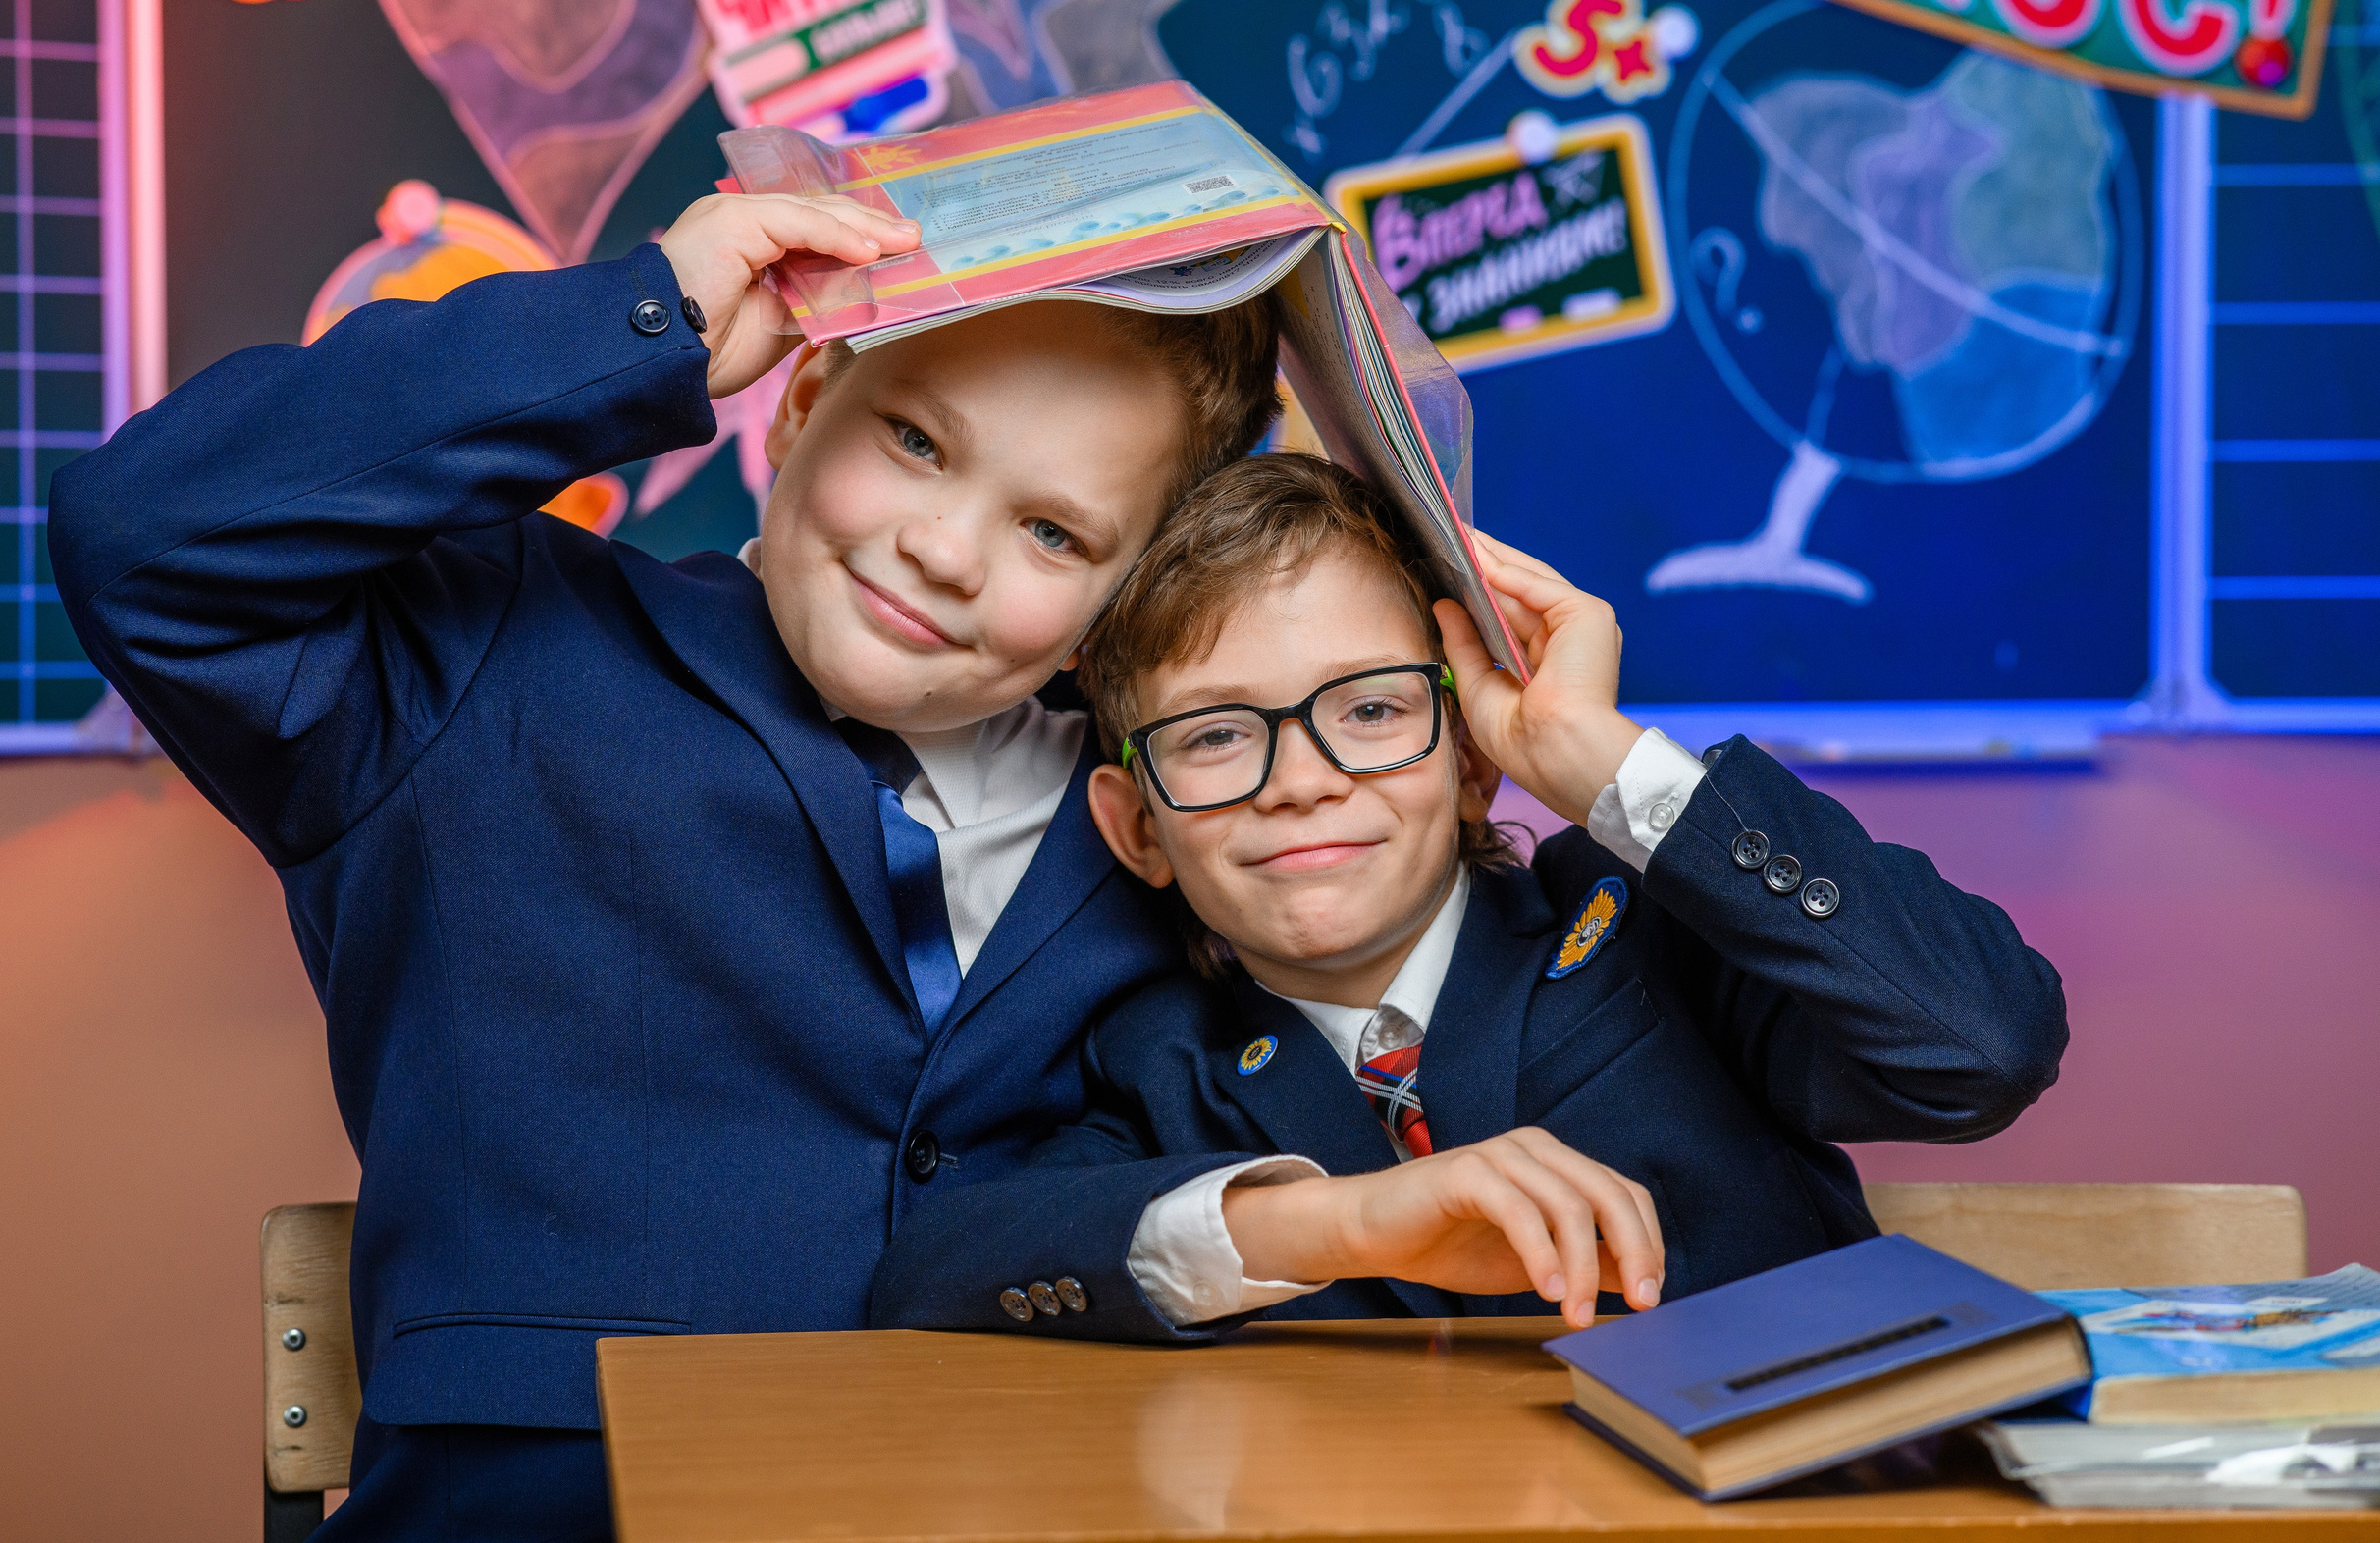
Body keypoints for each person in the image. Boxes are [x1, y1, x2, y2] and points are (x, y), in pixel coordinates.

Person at [47, 194, 1315, 1540]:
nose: (944, 551)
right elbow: (140, 536)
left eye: (1054, 533)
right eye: (915, 439)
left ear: (1118, 599)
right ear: (802, 400)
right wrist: (649, 321)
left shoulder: (1173, 814)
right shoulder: (483, 653)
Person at [871, 453, 2070, 1340]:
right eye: (1216, 733)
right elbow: (933, 1270)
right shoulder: (1153, 1063)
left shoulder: (1651, 935)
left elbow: (1985, 1041)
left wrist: (1605, 764)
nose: (1300, 781)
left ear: (1473, 765)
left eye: (1371, 709)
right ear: (1138, 828)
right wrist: (1342, 1219)